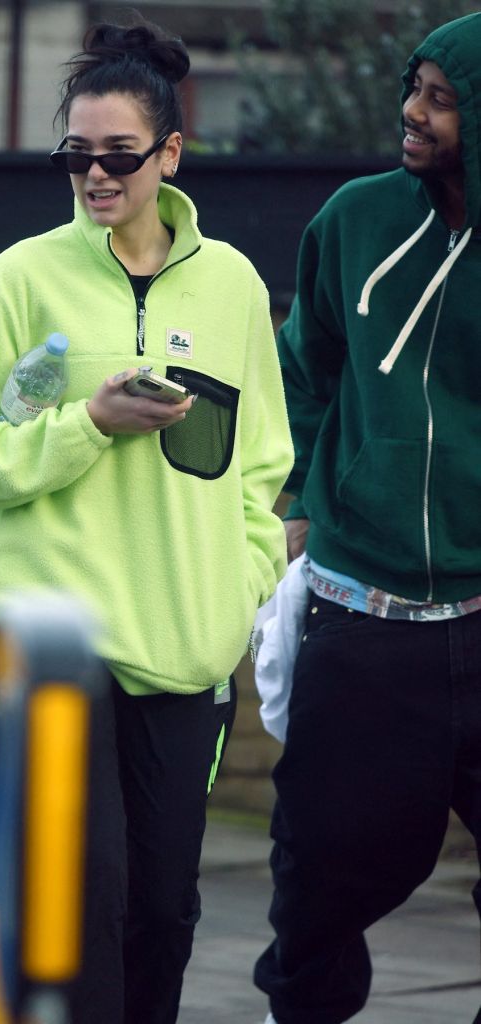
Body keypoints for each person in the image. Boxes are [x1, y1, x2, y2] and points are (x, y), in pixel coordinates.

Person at [0, 12, 292, 1024]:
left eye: (117, 156)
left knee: (162, 911)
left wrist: (237, 589)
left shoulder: (231, 288)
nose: (93, 176)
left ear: (169, 152)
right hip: (46, 641)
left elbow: (261, 473)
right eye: (74, 156)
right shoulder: (17, 281)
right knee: (76, 907)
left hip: (179, 645)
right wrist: (85, 421)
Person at [253, 12, 481, 1024]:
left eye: (439, 98)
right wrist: (297, 504)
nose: (410, 112)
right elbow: (302, 369)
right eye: (413, 88)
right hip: (359, 609)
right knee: (317, 871)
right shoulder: (350, 219)